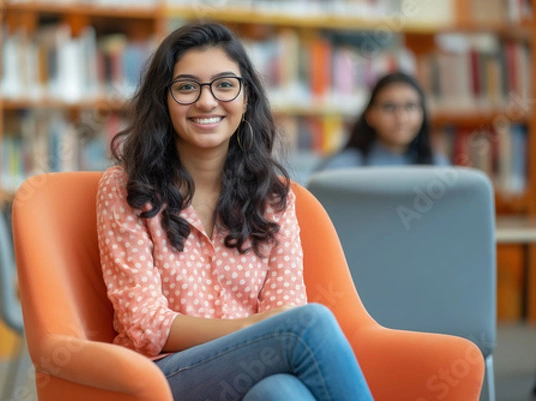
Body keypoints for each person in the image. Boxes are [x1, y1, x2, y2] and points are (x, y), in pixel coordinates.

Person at [96, 22, 373, 401]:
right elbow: (144, 325)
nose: (207, 102)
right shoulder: (126, 189)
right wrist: (257, 330)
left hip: (251, 374)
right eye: (187, 87)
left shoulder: (273, 198)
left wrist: (268, 332)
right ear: (163, 100)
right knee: (310, 324)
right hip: (161, 378)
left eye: (225, 85)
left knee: (281, 393)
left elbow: (283, 309)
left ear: (246, 99)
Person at [316, 71, 449, 170]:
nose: (401, 118)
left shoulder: (438, 167)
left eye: (410, 106)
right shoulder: (339, 168)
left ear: (423, 114)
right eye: (389, 107)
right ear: (370, 115)